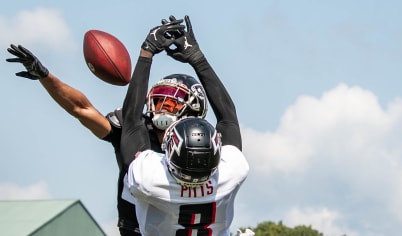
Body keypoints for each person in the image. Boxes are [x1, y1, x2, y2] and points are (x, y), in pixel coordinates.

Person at [5, 17, 208, 236]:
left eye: (170, 102)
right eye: (158, 100)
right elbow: (81, 109)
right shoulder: (135, 128)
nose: (161, 108)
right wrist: (45, 76)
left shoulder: (202, 146)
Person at [120, 15, 249, 235]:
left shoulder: (150, 179)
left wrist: (147, 52)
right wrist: (197, 58)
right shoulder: (232, 171)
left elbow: (131, 121)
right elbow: (228, 119)